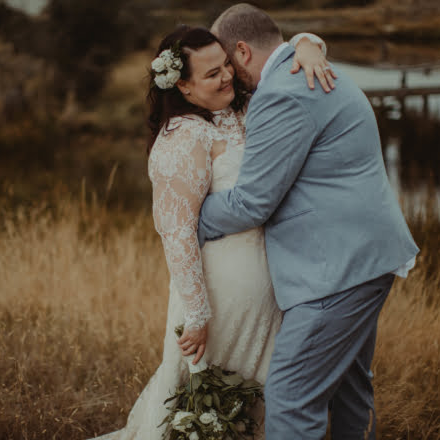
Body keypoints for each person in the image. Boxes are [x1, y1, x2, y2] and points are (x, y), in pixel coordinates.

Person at [90, 24, 334, 440]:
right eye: (211, 73)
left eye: (225, 65)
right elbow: (177, 233)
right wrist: (197, 315)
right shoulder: (182, 138)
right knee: (212, 405)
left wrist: (308, 45)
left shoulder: (241, 108)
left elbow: (280, 53)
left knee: (262, 398)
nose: (226, 77)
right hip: (219, 297)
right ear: (182, 86)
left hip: (271, 286)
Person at [195, 4, 420, 439]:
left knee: (291, 398)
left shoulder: (282, 92)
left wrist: (189, 217)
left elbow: (251, 203)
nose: (226, 76)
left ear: (242, 51)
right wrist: (307, 40)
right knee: (351, 389)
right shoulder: (306, 69)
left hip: (334, 273)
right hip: (365, 258)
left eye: (226, 63)